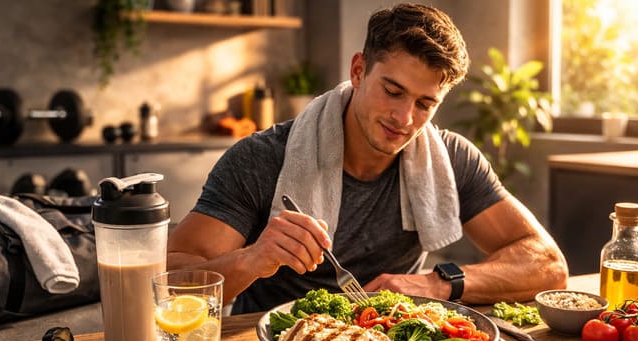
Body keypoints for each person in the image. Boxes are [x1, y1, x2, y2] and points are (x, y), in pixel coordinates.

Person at [167, 3, 568, 314]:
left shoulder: (452, 158)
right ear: (358, 71)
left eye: (425, 104)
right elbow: (169, 280)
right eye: (393, 91)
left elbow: (548, 265)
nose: (404, 118)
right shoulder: (261, 158)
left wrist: (438, 284)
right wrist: (253, 258)